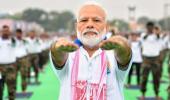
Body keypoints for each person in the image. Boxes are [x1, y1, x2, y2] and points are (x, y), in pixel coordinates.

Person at [50, 1, 133, 100]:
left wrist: (123, 44)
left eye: (96, 20)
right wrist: (57, 47)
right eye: (84, 20)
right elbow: (58, 55)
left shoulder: (113, 53)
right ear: (76, 27)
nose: (90, 25)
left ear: (106, 27)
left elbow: (124, 54)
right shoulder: (68, 52)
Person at [140, 22, 164, 100]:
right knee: (144, 77)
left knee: (156, 78)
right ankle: (143, 94)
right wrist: (149, 32)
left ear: (153, 27)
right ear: (147, 28)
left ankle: (156, 94)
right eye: (149, 27)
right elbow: (144, 38)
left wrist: (156, 32)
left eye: (151, 27)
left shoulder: (157, 36)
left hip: (155, 59)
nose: (150, 28)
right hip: (146, 59)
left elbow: (158, 37)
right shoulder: (143, 35)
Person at [0, 25, 17, 100]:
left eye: (7, 31)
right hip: (0, 67)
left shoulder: (13, 40)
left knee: (11, 88)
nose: (5, 32)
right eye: (4, 31)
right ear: (1, 31)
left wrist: (11, 35)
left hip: (10, 67)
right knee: (0, 88)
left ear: (9, 32)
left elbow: (14, 43)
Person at [14, 29, 30, 93]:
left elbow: (28, 49)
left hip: (23, 58)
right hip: (14, 59)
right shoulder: (13, 41)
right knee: (13, 76)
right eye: (17, 33)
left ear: (21, 34)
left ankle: (24, 89)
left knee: (23, 75)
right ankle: (14, 90)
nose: (18, 35)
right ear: (16, 34)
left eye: (20, 33)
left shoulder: (25, 41)